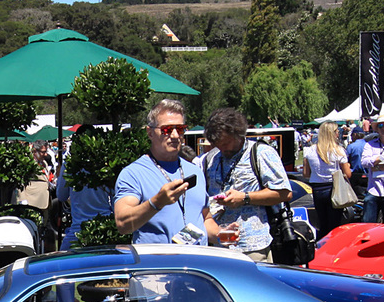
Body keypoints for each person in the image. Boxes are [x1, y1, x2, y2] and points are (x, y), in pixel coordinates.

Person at [114, 100, 214, 246]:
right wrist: (157, 202)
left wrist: (220, 234)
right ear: (150, 132)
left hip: (196, 264)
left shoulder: (195, 170)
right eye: (167, 129)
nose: (175, 135)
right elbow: (123, 224)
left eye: (180, 129)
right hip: (159, 265)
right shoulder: (133, 173)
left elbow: (206, 218)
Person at [197, 107, 289, 259]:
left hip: (251, 246)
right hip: (218, 246)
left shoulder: (261, 153)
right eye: (217, 144)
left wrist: (245, 198)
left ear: (238, 134)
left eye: (225, 143)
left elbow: (284, 193)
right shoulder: (210, 159)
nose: (221, 148)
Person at [302, 120, 353, 238]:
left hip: (317, 188)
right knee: (335, 223)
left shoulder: (310, 150)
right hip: (334, 188)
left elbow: (306, 174)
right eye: (336, 131)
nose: (338, 133)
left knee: (322, 221)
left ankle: (322, 245)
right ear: (332, 133)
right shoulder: (338, 150)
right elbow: (348, 174)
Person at [360, 116, 384, 223]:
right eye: (380, 125)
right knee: (367, 223)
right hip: (374, 188)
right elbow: (364, 162)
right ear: (377, 128)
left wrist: (375, 164)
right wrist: (383, 158)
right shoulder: (369, 144)